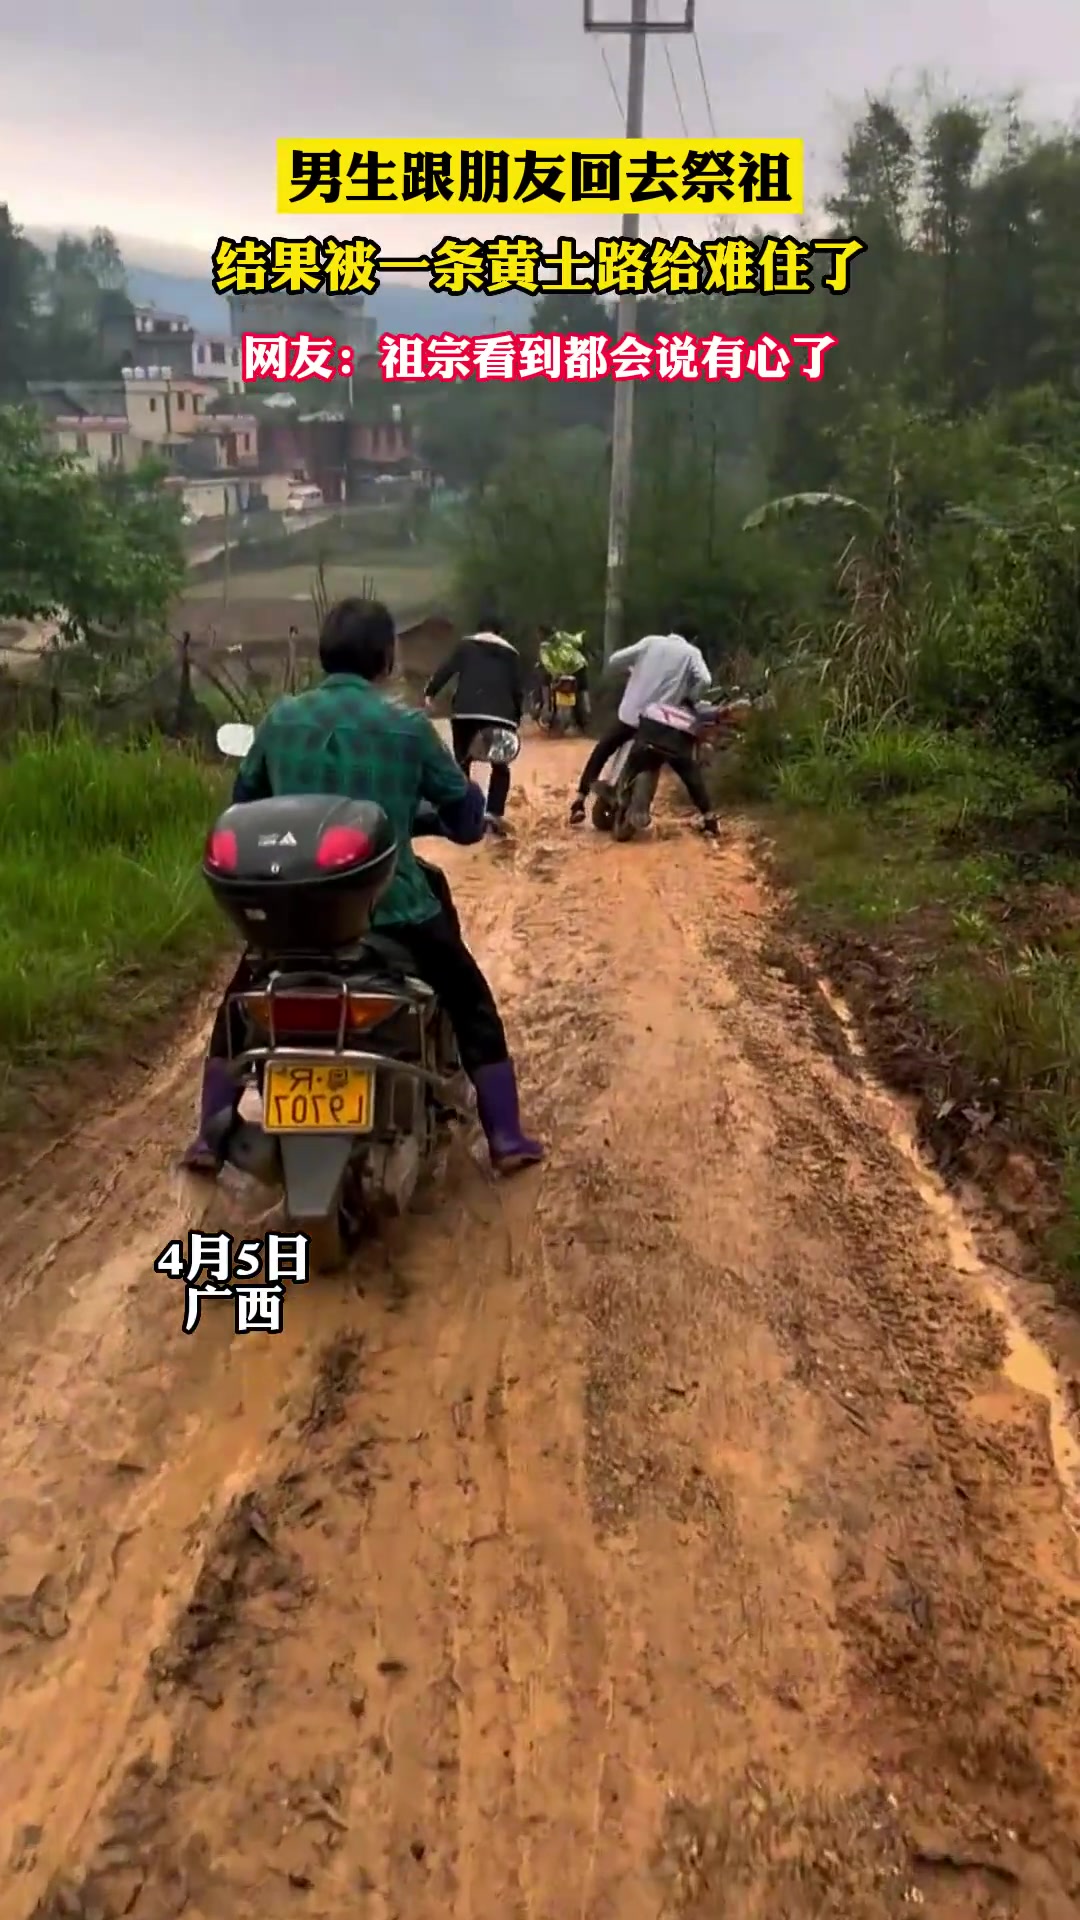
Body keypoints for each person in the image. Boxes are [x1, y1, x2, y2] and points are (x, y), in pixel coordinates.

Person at [181, 598, 543, 1179]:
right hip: (393, 910)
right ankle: (504, 1136)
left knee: (238, 1009)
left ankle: (206, 1137)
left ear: (326, 653)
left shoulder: (281, 720)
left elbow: (244, 807)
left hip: (290, 915)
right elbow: (466, 822)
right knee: (470, 1000)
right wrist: (465, 805)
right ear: (385, 659)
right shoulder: (406, 727)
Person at [568, 620, 718, 830]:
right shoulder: (691, 653)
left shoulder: (651, 643)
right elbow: (705, 680)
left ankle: (579, 800)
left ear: (671, 632)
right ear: (694, 639)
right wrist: (688, 697)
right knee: (685, 765)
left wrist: (631, 669)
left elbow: (614, 660)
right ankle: (709, 818)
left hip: (631, 716)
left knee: (603, 749)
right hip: (660, 723)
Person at [423, 612, 524, 835]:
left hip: (466, 712)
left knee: (461, 761)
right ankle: (493, 814)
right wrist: (516, 717)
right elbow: (517, 689)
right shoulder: (511, 653)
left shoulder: (466, 646)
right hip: (501, 715)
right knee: (500, 765)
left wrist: (430, 692)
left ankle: (461, 813)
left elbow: (446, 669)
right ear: (500, 633)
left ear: (479, 629)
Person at [536, 626, 590, 729]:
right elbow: (577, 642)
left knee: (548, 685)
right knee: (582, 690)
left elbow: (547, 663)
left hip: (561, 671)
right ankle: (584, 715)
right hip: (578, 666)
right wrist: (581, 635)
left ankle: (548, 709)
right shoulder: (563, 635)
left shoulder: (544, 647)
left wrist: (555, 673)